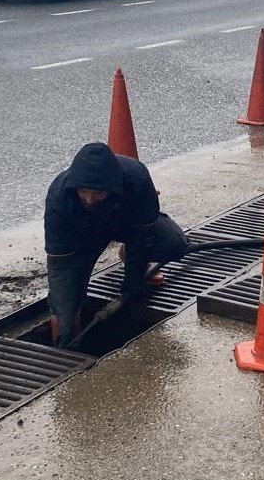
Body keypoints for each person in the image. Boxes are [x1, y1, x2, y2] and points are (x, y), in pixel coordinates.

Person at [45, 142, 188, 348]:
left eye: (98, 193)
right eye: (83, 191)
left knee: (174, 244)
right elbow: (59, 265)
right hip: (85, 237)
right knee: (67, 300)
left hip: (127, 225)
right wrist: (64, 318)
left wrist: (132, 285)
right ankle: (65, 343)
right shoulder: (60, 197)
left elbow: (143, 237)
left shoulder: (136, 178)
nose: (90, 199)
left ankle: (126, 253)